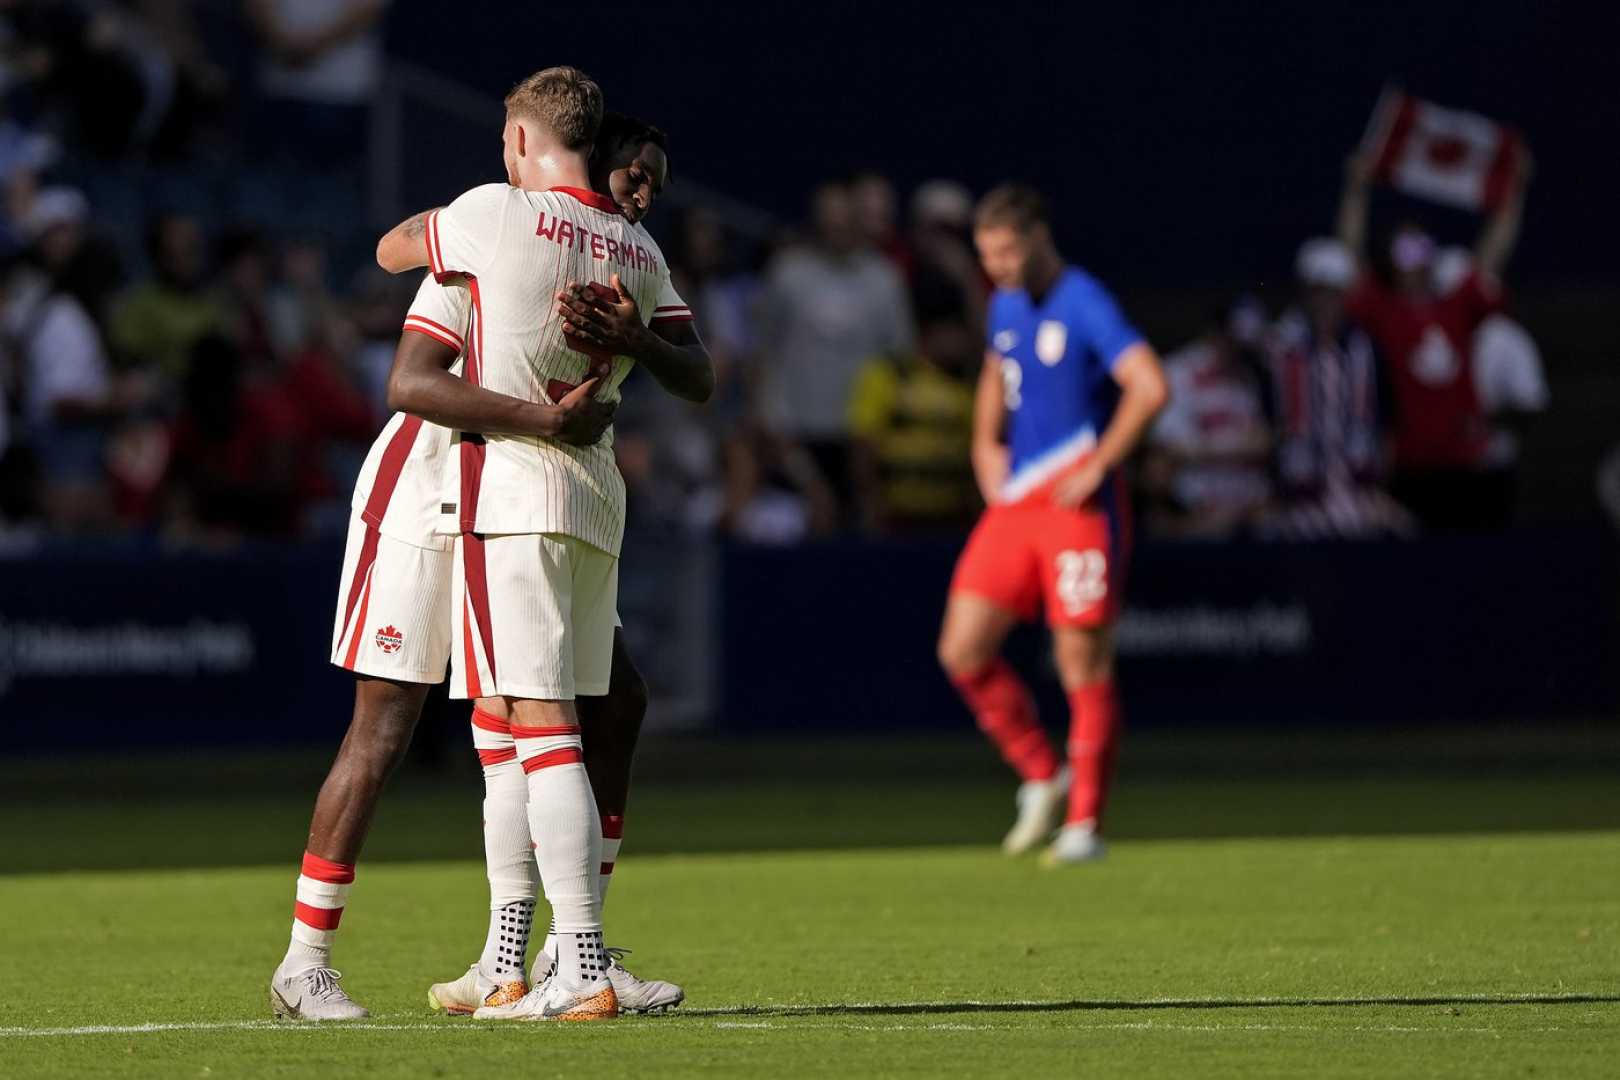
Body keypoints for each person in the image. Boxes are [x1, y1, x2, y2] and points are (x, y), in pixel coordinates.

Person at [270, 74, 708, 1023]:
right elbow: (411, 376)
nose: (643, 196)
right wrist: (544, 416)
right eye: (633, 177)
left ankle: (536, 955)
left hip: (515, 490)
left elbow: (685, 365)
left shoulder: (550, 237)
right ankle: (308, 960)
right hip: (429, 484)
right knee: (389, 723)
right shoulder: (486, 231)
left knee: (556, 712)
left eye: (653, 187)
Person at [935, 186, 1168, 866]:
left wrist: (1102, 463)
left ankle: (1085, 827)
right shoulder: (1006, 304)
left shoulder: (1084, 300)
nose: (998, 266)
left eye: (1007, 251)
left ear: (1038, 236)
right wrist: (984, 445)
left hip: (1077, 509)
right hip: (1019, 504)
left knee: (1081, 666)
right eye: (987, 255)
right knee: (962, 650)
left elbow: (1150, 385)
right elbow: (996, 367)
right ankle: (1043, 773)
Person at [1336, 148, 1532, 529]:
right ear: (1390, 258)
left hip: (1467, 461)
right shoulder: (1382, 309)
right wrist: (1355, 191)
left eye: (1424, 247)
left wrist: (1515, 189)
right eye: (1406, 249)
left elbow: (1493, 254)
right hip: (1411, 465)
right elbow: (1348, 259)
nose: (1417, 257)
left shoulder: (1456, 303)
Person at [754, 179, 914, 521]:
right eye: (828, 219)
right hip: (797, 432)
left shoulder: (885, 278)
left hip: (863, 434)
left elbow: (899, 356)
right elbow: (764, 351)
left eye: (844, 219)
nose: (836, 227)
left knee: (866, 526)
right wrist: (770, 419)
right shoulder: (788, 273)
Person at [1263, 239, 1410, 540]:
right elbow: (1268, 426)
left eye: (1333, 293)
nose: (1324, 303)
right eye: (1317, 292)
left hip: (1363, 495)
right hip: (1299, 500)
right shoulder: (1280, 352)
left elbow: (1386, 424)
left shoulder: (1367, 350)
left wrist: (1381, 488)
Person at [1142, 297, 1272, 538]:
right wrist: (1240, 447)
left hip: (1249, 516)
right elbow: (1169, 451)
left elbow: (1265, 442)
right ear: (1215, 334)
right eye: (1231, 343)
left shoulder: (1250, 376)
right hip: (1197, 516)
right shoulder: (1179, 372)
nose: (1237, 353)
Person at [847, 311, 981, 534]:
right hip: (894, 518)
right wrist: (871, 504)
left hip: (953, 519)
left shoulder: (970, 384)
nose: (961, 341)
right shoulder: (889, 376)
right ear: (929, 333)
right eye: (953, 332)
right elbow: (862, 446)